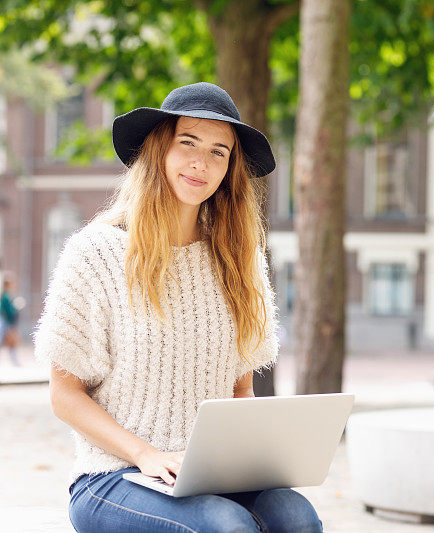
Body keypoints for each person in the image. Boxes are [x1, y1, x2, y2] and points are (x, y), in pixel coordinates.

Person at [34, 83, 323, 532]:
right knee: (225, 526)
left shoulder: (239, 262)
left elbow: (239, 391)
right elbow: (65, 395)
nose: (200, 163)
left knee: (297, 518)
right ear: (158, 151)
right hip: (113, 475)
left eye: (218, 153)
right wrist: (145, 454)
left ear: (229, 169)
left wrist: (263, 454)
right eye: (187, 142)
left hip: (210, 475)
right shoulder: (95, 254)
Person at [0, 272, 23, 366]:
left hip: (6, 322)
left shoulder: (6, 296)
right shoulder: (5, 297)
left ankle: (15, 360)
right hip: (5, 322)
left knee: (11, 342)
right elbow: (7, 310)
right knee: (8, 340)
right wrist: (16, 307)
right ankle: (15, 361)